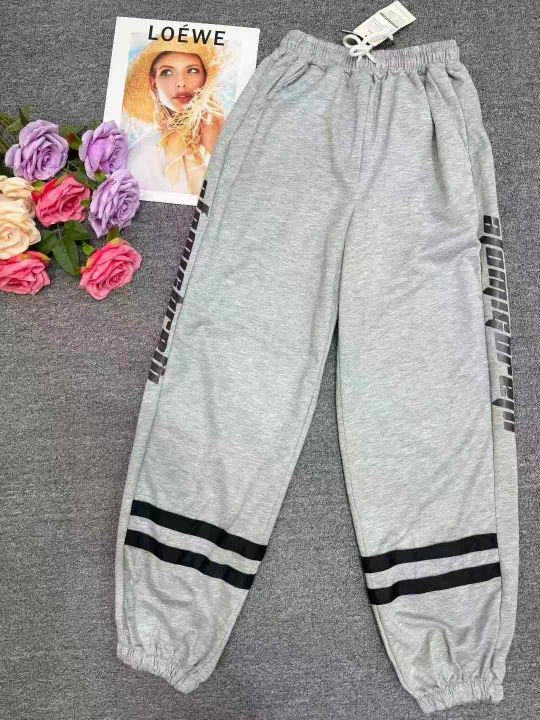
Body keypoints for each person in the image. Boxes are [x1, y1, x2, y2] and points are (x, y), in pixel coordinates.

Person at [123, 36, 226, 196]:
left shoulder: (225, 132)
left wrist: (218, 146)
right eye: (167, 72)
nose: (181, 82)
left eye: (192, 70)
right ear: (153, 83)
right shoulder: (141, 158)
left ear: (205, 78)